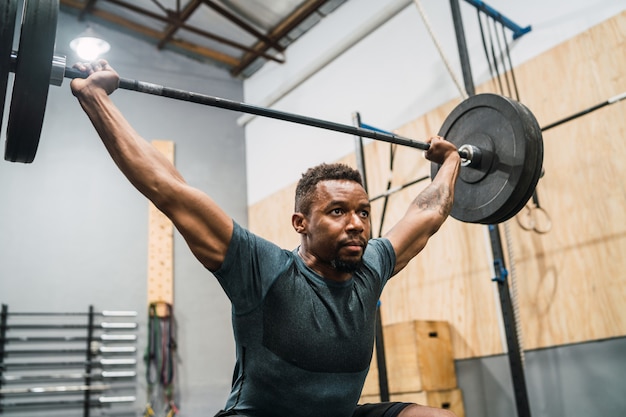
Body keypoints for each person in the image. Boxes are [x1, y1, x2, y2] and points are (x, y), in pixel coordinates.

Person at [71, 60, 461, 417]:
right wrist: (95, 98)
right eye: (338, 211)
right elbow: (169, 190)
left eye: (363, 211)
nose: (357, 224)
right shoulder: (263, 270)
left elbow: (427, 213)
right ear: (300, 223)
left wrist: (451, 162)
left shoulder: (371, 266)